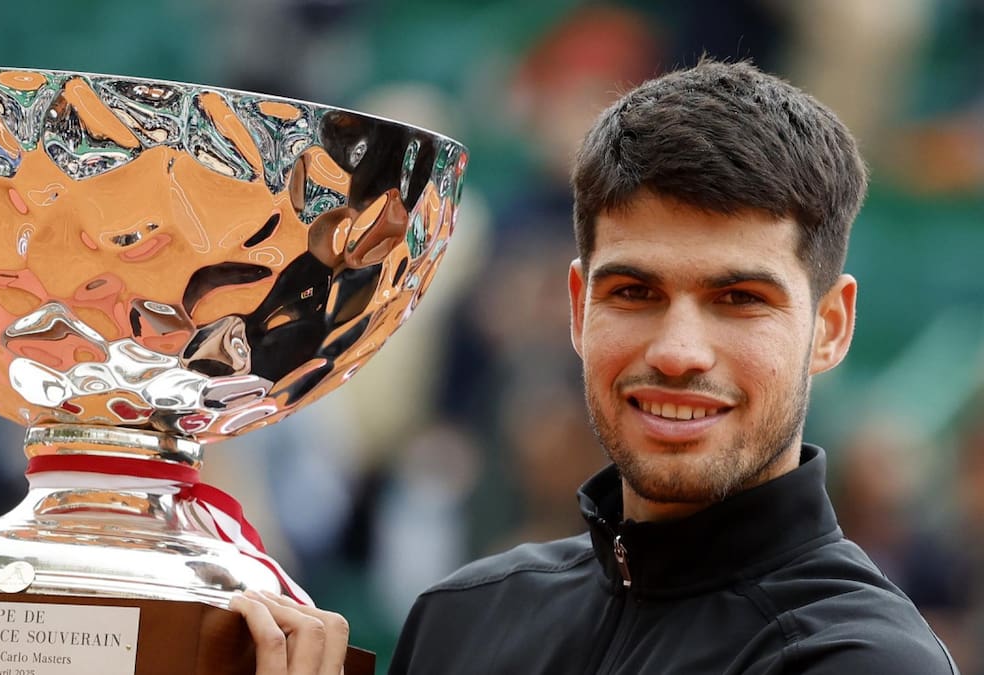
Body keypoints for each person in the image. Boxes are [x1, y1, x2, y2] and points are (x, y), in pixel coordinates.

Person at [229, 59, 961, 674]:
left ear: (830, 327)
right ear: (578, 309)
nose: (677, 350)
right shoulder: (461, 619)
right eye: (635, 292)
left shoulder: (863, 658)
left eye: (739, 298)